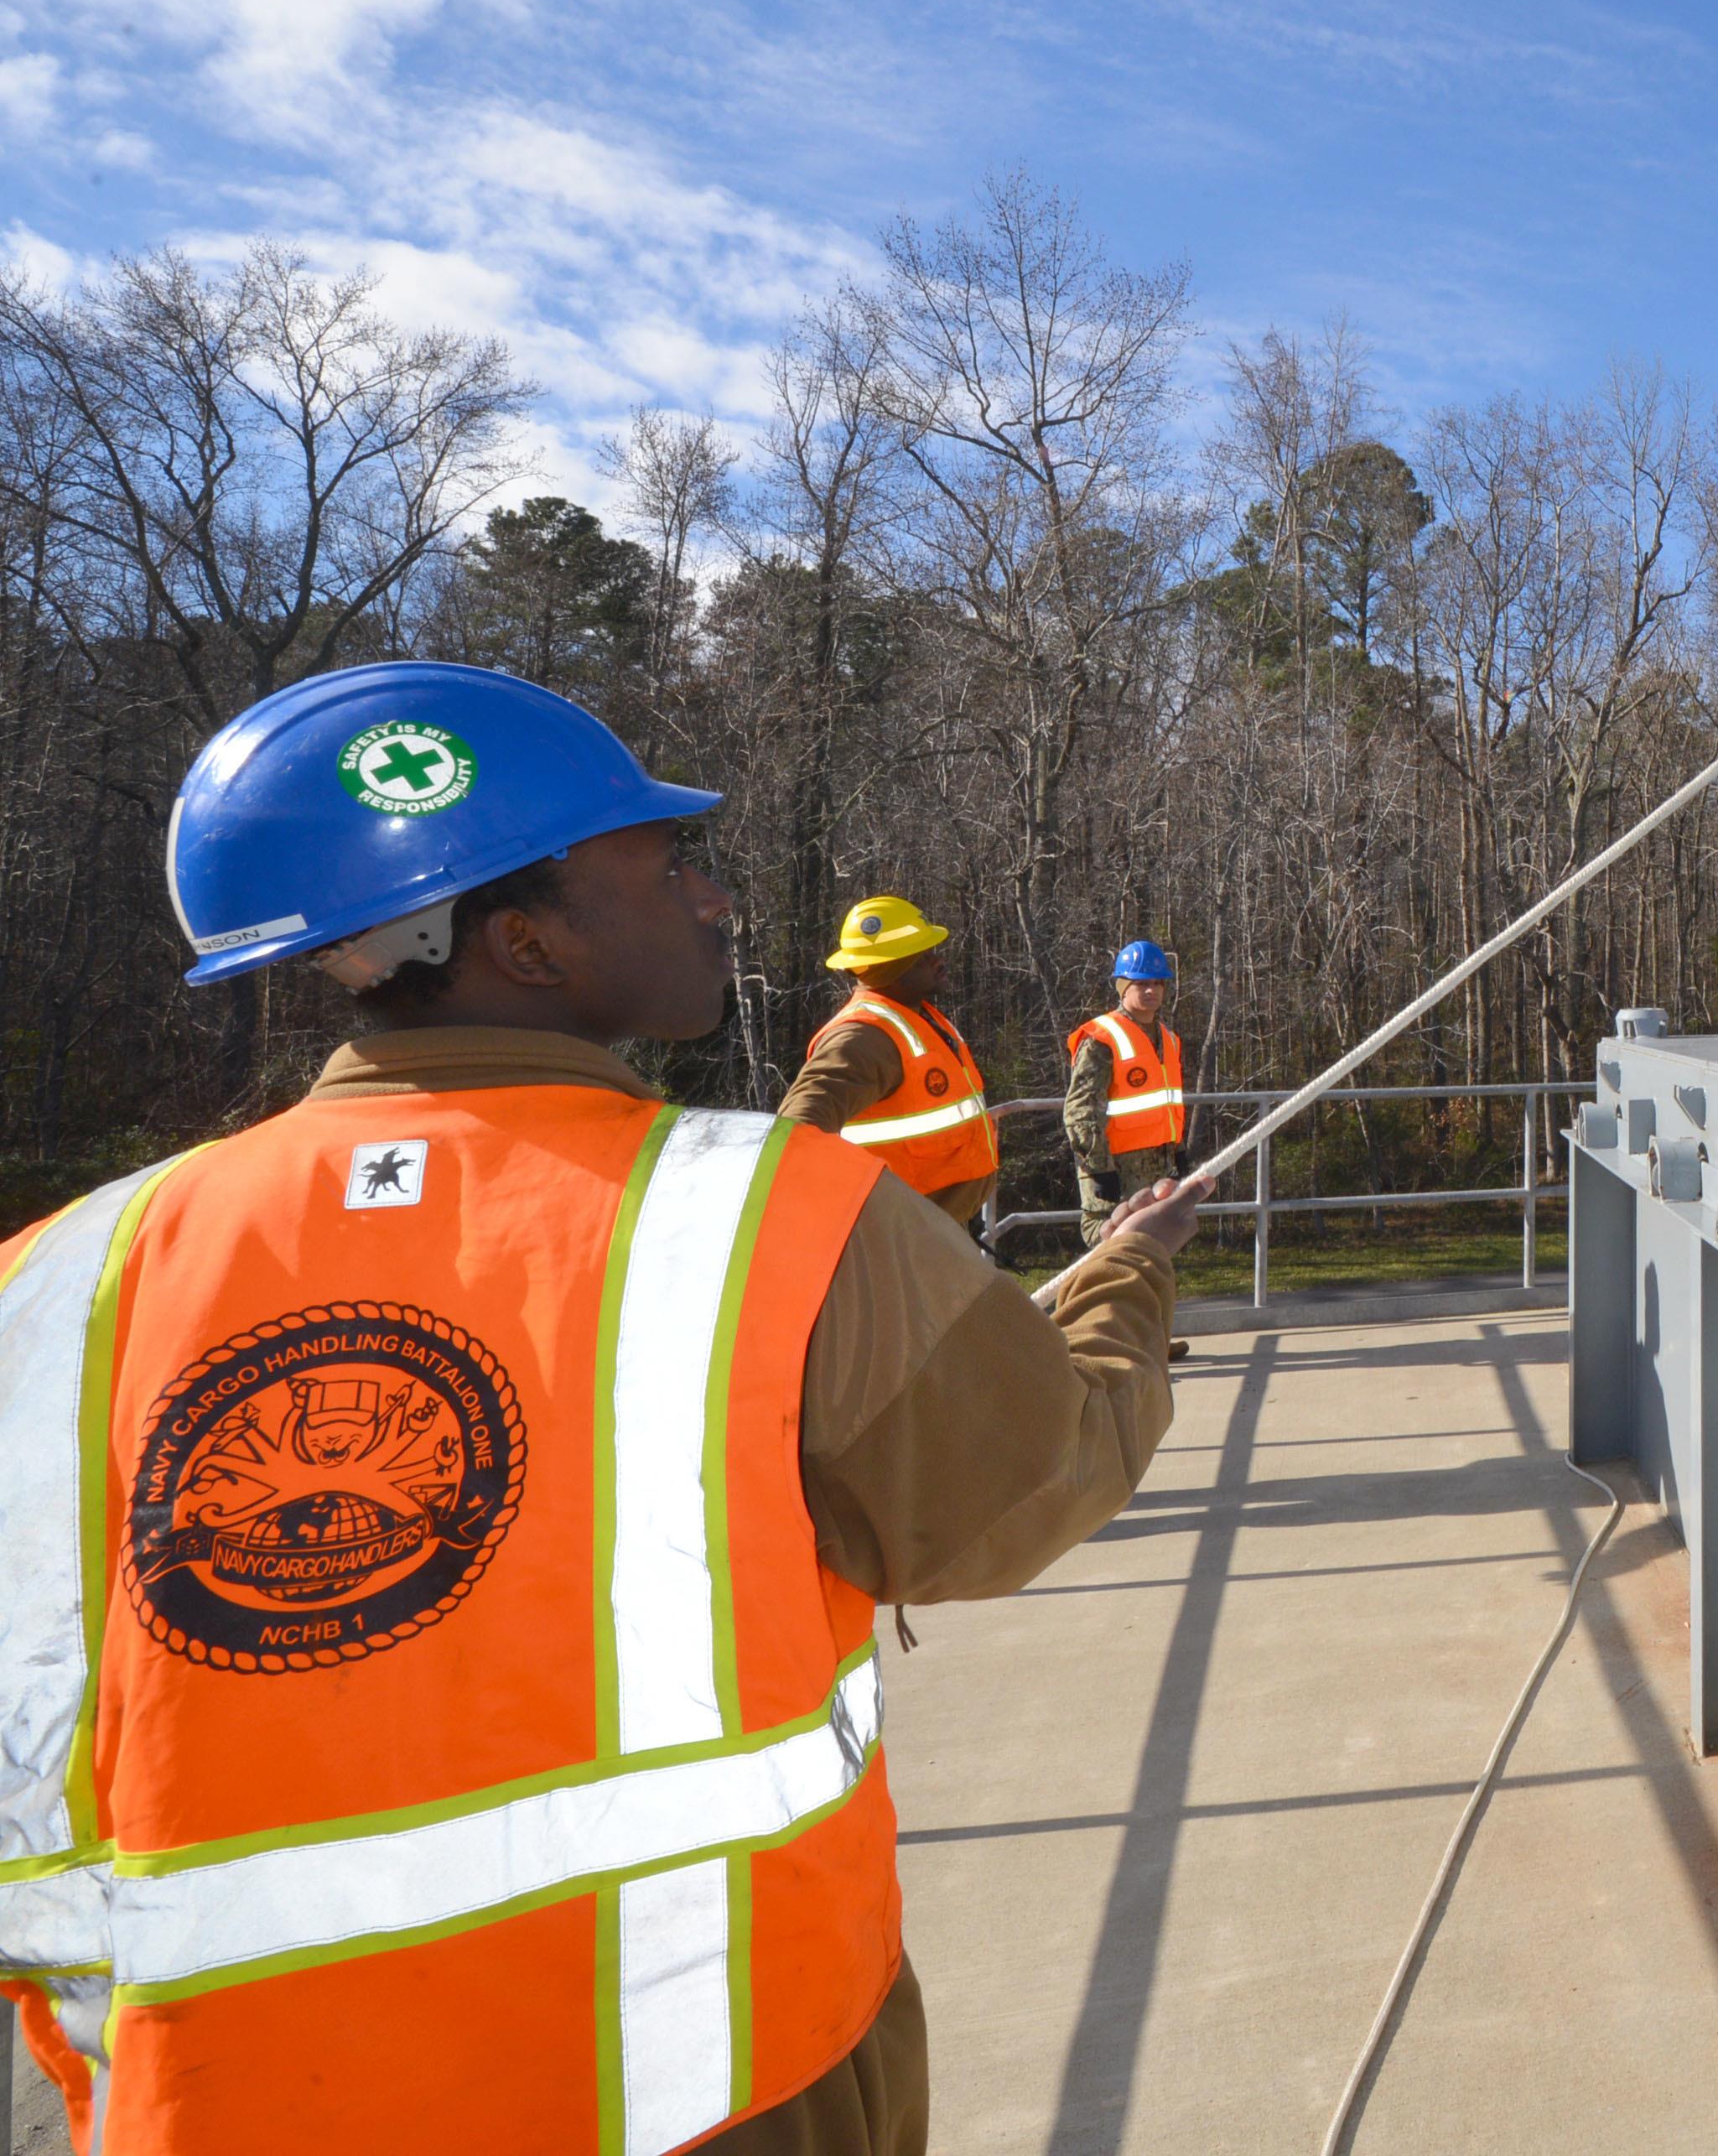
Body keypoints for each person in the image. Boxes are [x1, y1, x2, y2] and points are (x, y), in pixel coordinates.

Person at [0, 661, 1199, 2156]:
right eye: (666, 862)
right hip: (712, 2084)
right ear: (523, 941)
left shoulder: (57, 1281)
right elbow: (1029, 1480)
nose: (714, 901)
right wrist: (1124, 1283)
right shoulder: (768, 1219)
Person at [781, 896, 1000, 1228]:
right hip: (901, 1239)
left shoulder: (915, 1015)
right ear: (893, 971)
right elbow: (795, 1132)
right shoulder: (861, 1039)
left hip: (939, 1228)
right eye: (923, 957)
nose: (938, 961)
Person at [1066, 941, 1187, 1245]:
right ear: (1123, 987)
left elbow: (1168, 1104)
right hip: (1114, 1172)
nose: (1152, 991)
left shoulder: (1169, 1039)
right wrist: (1099, 1170)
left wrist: (1178, 1150)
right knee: (1108, 1252)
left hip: (1157, 1171)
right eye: (1142, 983)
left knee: (1154, 1254)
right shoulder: (1101, 1038)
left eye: (1158, 983)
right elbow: (1081, 1111)